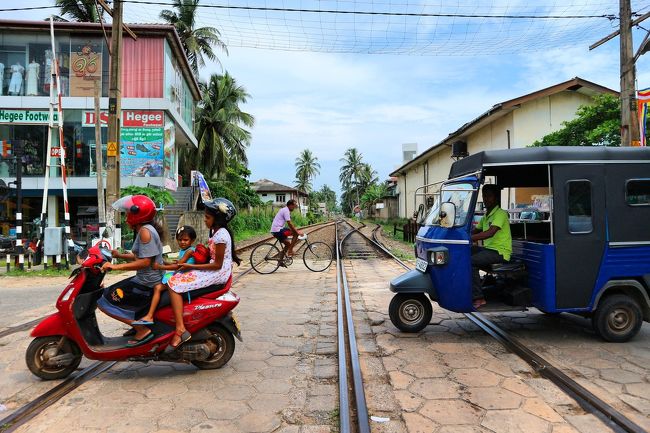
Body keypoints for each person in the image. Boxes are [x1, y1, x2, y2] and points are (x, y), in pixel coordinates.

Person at [164, 198, 241, 352]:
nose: (205, 220)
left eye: (207, 217)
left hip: (217, 273)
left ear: (217, 219)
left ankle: (180, 329)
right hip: (216, 270)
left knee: (173, 285)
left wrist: (191, 266)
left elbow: (217, 264)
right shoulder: (217, 231)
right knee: (176, 277)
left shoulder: (220, 236)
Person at [97, 195, 164, 347]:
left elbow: (145, 262)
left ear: (137, 215)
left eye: (128, 213)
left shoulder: (145, 232)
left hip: (147, 283)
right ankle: (136, 326)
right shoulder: (145, 229)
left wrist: (115, 267)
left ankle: (141, 329)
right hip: (145, 280)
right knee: (112, 293)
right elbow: (140, 255)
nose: (127, 216)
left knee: (104, 301)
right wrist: (119, 255)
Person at [131, 225, 198, 326]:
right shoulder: (183, 251)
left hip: (184, 277)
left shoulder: (190, 251)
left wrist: (160, 267)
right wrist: (163, 262)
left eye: (185, 240)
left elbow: (177, 266)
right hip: (180, 275)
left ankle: (149, 316)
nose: (182, 242)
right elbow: (176, 264)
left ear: (192, 240)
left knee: (157, 288)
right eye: (180, 240)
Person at [470, 184, 512, 309]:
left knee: (470, 262)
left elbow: (490, 233)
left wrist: (470, 238)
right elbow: (475, 231)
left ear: (495, 198)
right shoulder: (486, 215)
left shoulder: (500, 214)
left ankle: (478, 297)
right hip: (489, 250)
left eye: (489, 196)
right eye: (484, 196)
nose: (486, 199)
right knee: (464, 252)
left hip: (500, 252)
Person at [270, 199, 302, 265]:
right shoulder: (286, 211)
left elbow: (289, 223)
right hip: (278, 230)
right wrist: (296, 231)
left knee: (287, 244)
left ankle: (280, 261)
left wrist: (295, 230)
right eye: (294, 206)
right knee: (295, 234)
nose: (294, 207)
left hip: (277, 229)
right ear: (290, 205)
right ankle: (290, 251)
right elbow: (289, 223)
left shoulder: (285, 210)